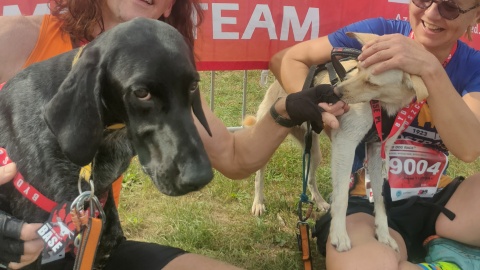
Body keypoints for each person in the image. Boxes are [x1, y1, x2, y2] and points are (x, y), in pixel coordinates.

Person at [0, 0, 347, 269]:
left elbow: (236, 157)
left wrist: (285, 110)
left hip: (96, 253)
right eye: (142, 94)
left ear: (170, 6)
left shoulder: (165, 73)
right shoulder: (20, 37)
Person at [270, 0, 480, 269]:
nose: (429, 12)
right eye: (422, 0)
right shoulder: (380, 34)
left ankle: (445, 247)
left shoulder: (473, 65)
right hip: (365, 201)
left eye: (449, 6)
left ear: (475, 15)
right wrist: (323, 110)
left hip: (438, 198)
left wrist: (429, 68)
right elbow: (287, 59)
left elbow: (469, 147)